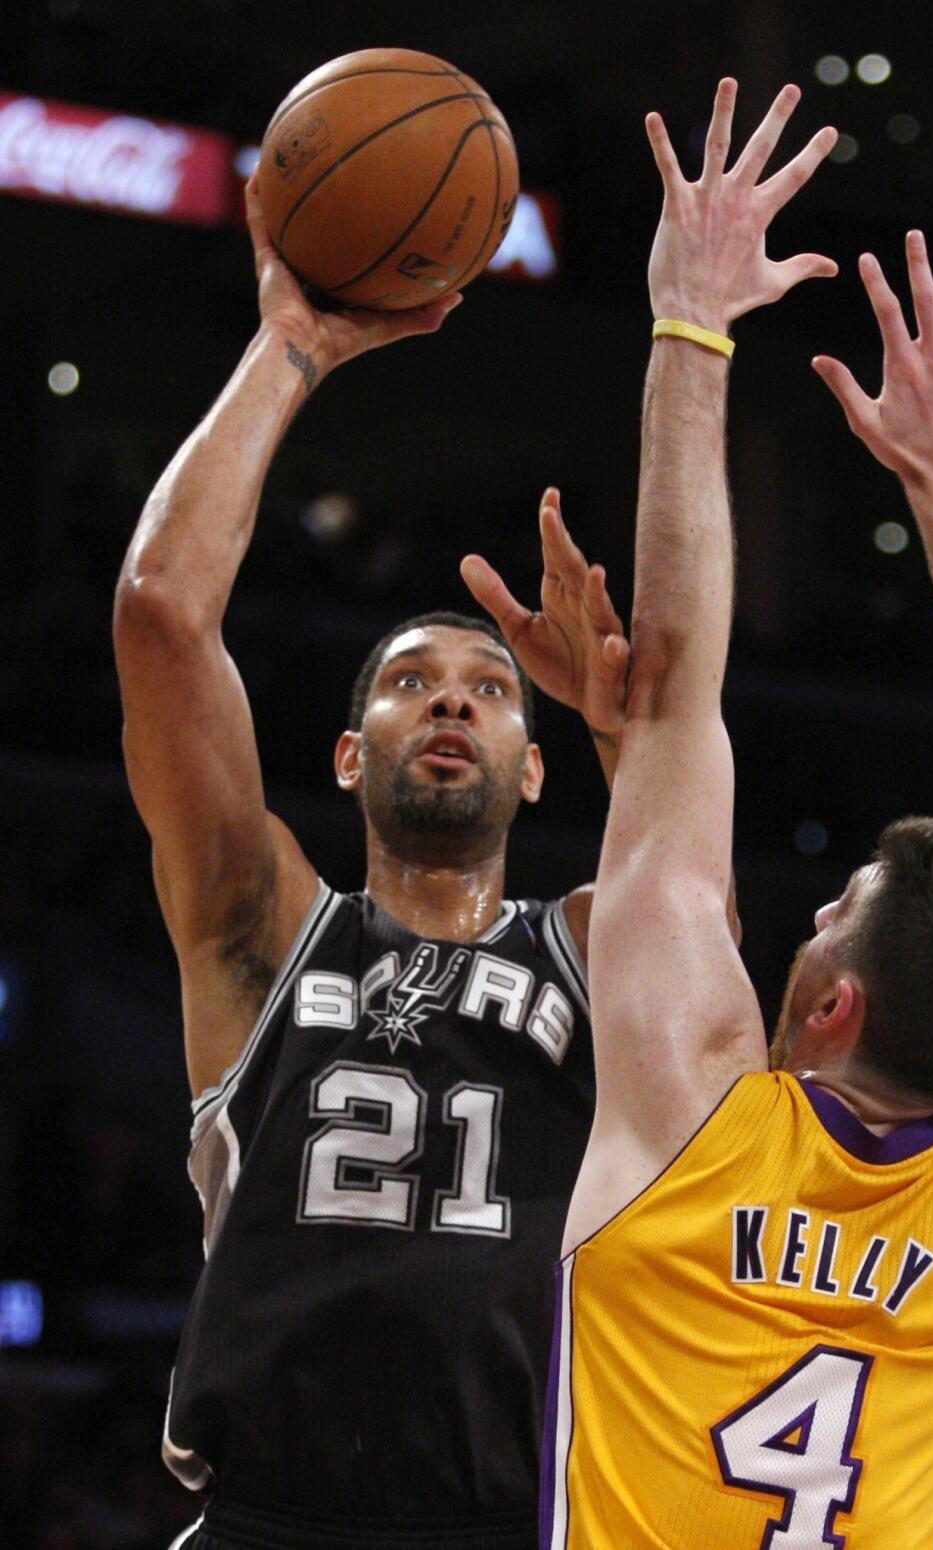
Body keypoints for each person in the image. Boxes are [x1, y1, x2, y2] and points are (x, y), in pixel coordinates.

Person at [544, 79, 933, 1549]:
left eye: (833, 902)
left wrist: (692, 324)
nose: (805, 910)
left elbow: (670, 696)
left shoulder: (692, 1109)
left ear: (835, 1001)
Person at [114, 179, 631, 1550]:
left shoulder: (589, 942)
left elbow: (706, 931)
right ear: (350, 755)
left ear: (536, 764)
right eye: (411, 681)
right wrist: (291, 343)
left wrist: (628, 731)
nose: (453, 700)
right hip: (268, 1515)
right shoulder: (264, 926)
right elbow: (162, 616)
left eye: (489, 688)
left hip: (509, 1519)